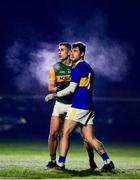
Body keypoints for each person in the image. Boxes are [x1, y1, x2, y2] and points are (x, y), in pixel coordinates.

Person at [45, 42, 115, 171]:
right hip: (89, 106)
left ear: (82, 53)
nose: (72, 53)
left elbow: (71, 89)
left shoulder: (77, 68)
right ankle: (108, 161)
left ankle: (60, 164)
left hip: (78, 106)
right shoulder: (89, 68)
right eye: (71, 51)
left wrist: (54, 95)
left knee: (64, 133)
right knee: (90, 138)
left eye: (75, 51)